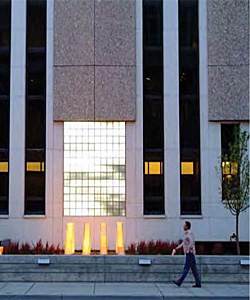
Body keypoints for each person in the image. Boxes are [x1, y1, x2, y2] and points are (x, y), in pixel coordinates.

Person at [172, 221, 201, 288]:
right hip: (190, 253)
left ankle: (179, 281)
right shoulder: (186, 234)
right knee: (194, 269)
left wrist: (188, 250)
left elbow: (191, 242)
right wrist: (176, 248)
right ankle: (198, 283)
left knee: (186, 268)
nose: (183, 226)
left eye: (184, 225)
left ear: (187, 226)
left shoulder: (189, 233)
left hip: (190, 253)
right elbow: (183, 243)